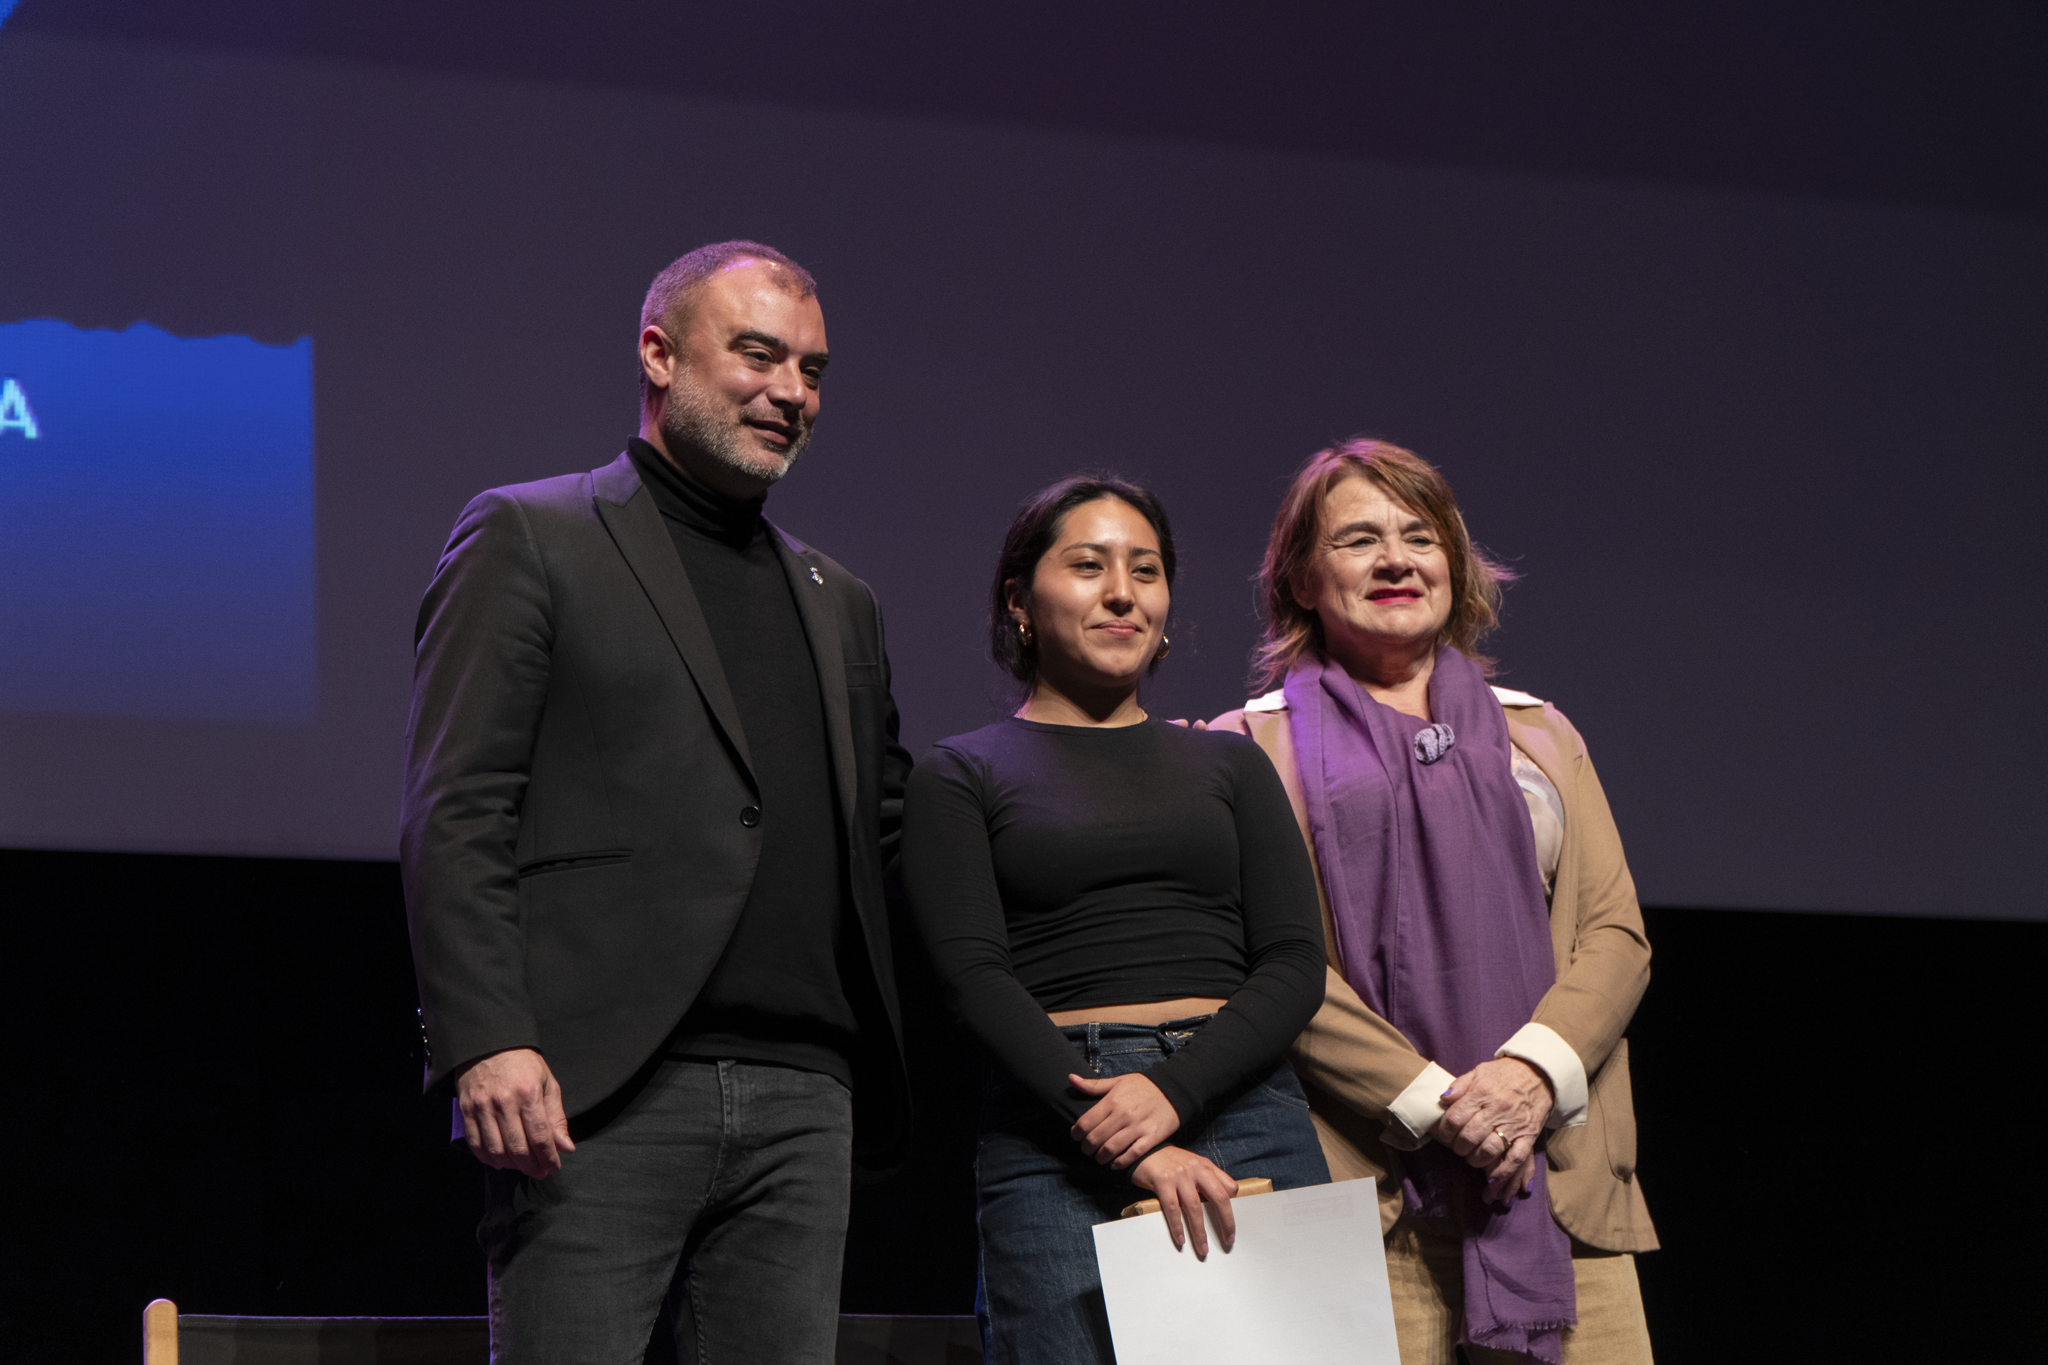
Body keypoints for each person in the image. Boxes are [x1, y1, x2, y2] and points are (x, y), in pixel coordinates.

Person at [400, 241, 912, 1364]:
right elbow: (459, 806)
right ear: (658, 353)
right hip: (599, 1089)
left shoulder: (842, 601)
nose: (791, 392)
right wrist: (487, 1039)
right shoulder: (531, 534)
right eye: (759, 355)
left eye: (812, 370)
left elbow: (887, 833)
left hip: (804, 1097)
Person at [1208, 438, 1656, 1364]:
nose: (1396, 560)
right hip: (1366, 1195)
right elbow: (1274, 963)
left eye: (1420, 536)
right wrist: (1440, 1103)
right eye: (1358, 540)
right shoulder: (1247, 750)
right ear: (1300, 578)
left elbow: (1614, 934)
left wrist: (1528, 1078)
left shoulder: (1542, 734)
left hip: (1552, 1183)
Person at [901, 475, 1332, 1365]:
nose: (1122, 592)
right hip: (1056, 1116)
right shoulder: (961, 773)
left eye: (1145, 569)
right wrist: (1119, 1129)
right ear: (1019, 600)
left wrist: (1174, 1090)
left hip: (1243, 1100)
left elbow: (1294, 959)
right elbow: (973, 978)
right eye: (1089, 565)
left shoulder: (1229, 763)